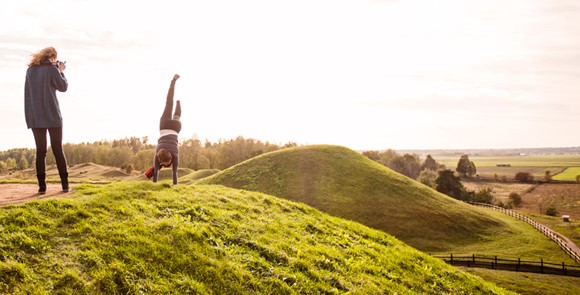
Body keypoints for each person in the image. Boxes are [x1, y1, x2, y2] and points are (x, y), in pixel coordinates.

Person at [24, 46, 70, 194]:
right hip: (52, 116)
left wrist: (30, 117)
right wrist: (61, 71)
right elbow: (63, 87)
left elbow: (28, 96)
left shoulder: (30, 71)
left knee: (40, 152)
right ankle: (65, 186)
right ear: (52, 57)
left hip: (36, 117)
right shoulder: (52, 69)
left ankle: (42, 187)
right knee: (57, 150)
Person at [144, 74, 181, 185]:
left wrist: (156, 184)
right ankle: (173, 81)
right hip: (164, 125)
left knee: (177, 116)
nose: (165, 165)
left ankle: (178, 104)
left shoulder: (174, 153)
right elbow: (170, 172)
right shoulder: (157, 152)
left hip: (174, 128)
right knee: (169, 102)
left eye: (165, 164)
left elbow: (174, 172)